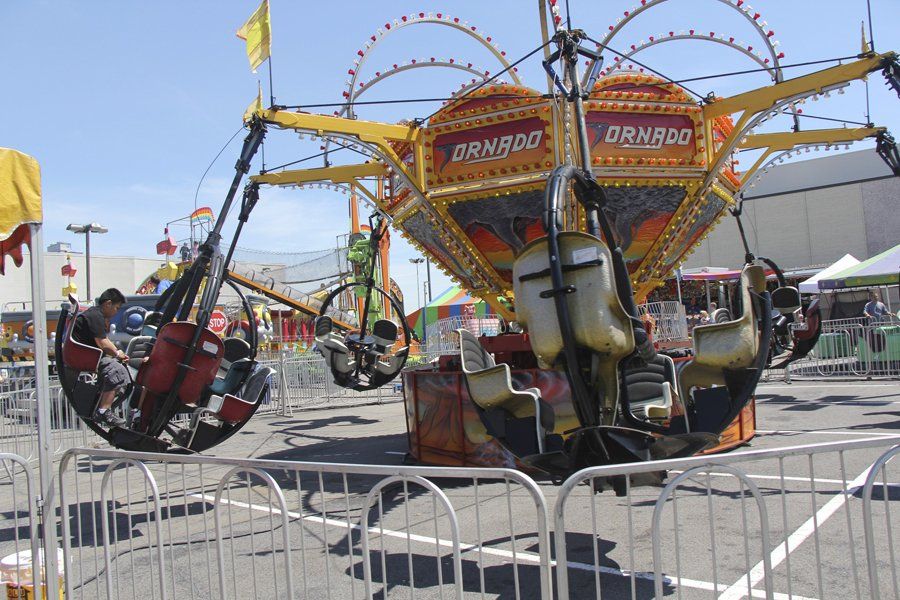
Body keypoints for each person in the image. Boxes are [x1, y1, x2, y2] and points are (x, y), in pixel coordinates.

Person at [72, 288, 130, 427]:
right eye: (116, 307)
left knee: (121, 373)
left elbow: (105, 341)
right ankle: (103, 411)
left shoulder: (96, 316)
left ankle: (103, 405)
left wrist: (118, 353)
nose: (116, 311)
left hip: (89, 355)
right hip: (85, 356)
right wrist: (117, 353)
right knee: (116, 371)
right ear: (108, 304)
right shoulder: (95, 315)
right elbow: (103, 343)